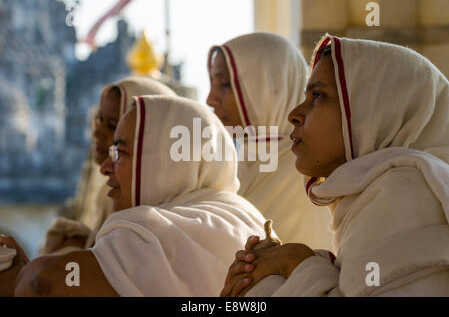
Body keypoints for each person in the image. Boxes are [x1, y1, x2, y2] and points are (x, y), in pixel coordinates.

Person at [221, 35, 449, 297]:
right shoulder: (378, 192)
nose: (294, 114)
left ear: (370, 112)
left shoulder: (404, 190)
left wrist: (293, 262)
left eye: (317, 95)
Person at [0, 95, 266, 296]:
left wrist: (17, 273)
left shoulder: (157, 230)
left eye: (120, 153)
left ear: (165, 162)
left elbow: (42, 282)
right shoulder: (239, 212)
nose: (105, 167)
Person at [207, 32, 333, 249]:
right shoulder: (233, 166)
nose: (211, 99)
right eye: (212, 83)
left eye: (226, 84)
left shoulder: (309, 173)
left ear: (269, 88)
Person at [42, 76, 176, 255]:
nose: (97, 132)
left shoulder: (154, 219)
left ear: (149, 138)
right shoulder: (108, 194)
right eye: (99, 119)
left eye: (113, 124)